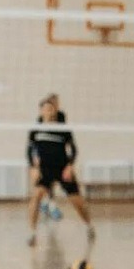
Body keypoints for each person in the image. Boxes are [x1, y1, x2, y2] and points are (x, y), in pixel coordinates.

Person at [26, 95, 93, 246]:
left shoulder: (63, 129)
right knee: (36, 197)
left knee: (78, 202)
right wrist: (33, 167)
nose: (48, 111)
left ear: (55, 111)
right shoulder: (35, 129)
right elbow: (29, 150)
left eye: (51, 109)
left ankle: (89, 226)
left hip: (62, 169)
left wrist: (70, 166)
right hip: (44, 170)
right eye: (45, 109)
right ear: (41, 111)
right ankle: (32, 233)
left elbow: (73, 149)